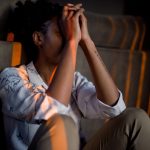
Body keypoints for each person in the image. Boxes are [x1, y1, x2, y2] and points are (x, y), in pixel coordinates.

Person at [0, 0, 150, 150]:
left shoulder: (74, 80)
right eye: (62, 32)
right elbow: (55, 112)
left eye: (71, 33)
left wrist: (86, 41)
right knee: (62, 122)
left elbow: (115, 108)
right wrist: (72, 41)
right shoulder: (11, 79)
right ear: (39, 38)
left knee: (136, 119)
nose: (70, 37)